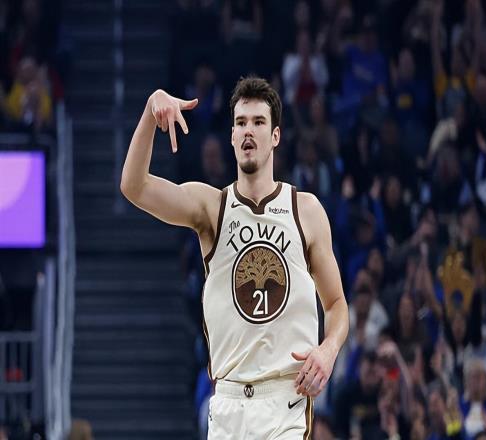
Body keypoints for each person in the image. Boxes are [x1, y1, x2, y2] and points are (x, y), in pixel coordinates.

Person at [120, 76, 349, 439]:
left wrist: (328, 350)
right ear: (231, 136)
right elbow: (134, 186)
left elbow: (336, 304)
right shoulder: (212, 207)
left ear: (275, 136)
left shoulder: (305, 210)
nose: (248, 131)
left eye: (258, 122)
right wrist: (151, 111)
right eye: (241, 122)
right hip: (228, 403)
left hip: (285, 399)